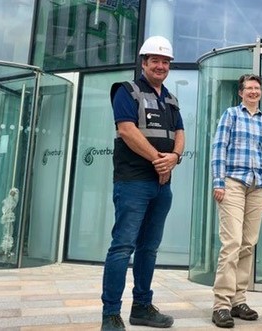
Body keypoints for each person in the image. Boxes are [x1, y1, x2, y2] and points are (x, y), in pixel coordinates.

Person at [101, 35, 184, 331]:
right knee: (123, 246)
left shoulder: (170, 98)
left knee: (149, 248)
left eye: (165, 61)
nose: (161, 66)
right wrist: (157, 160)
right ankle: (111, 314)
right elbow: (126, 130)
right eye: (155, 60)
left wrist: (173, 157)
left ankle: (142, 307)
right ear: (144, 62)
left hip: (162, 185)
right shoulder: (126, 90)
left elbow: (180, 133)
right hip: (133, 181)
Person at [210, 74, 262, 328]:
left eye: (256, 88)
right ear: (240, 93)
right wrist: (218, 182)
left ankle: (239, 300)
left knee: (249, 243)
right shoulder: (231, 115)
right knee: (232, 243)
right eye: (248, 88)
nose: (253, 91)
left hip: (258, 186)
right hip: (233, 183)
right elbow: (218, 149)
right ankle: (221, 305)